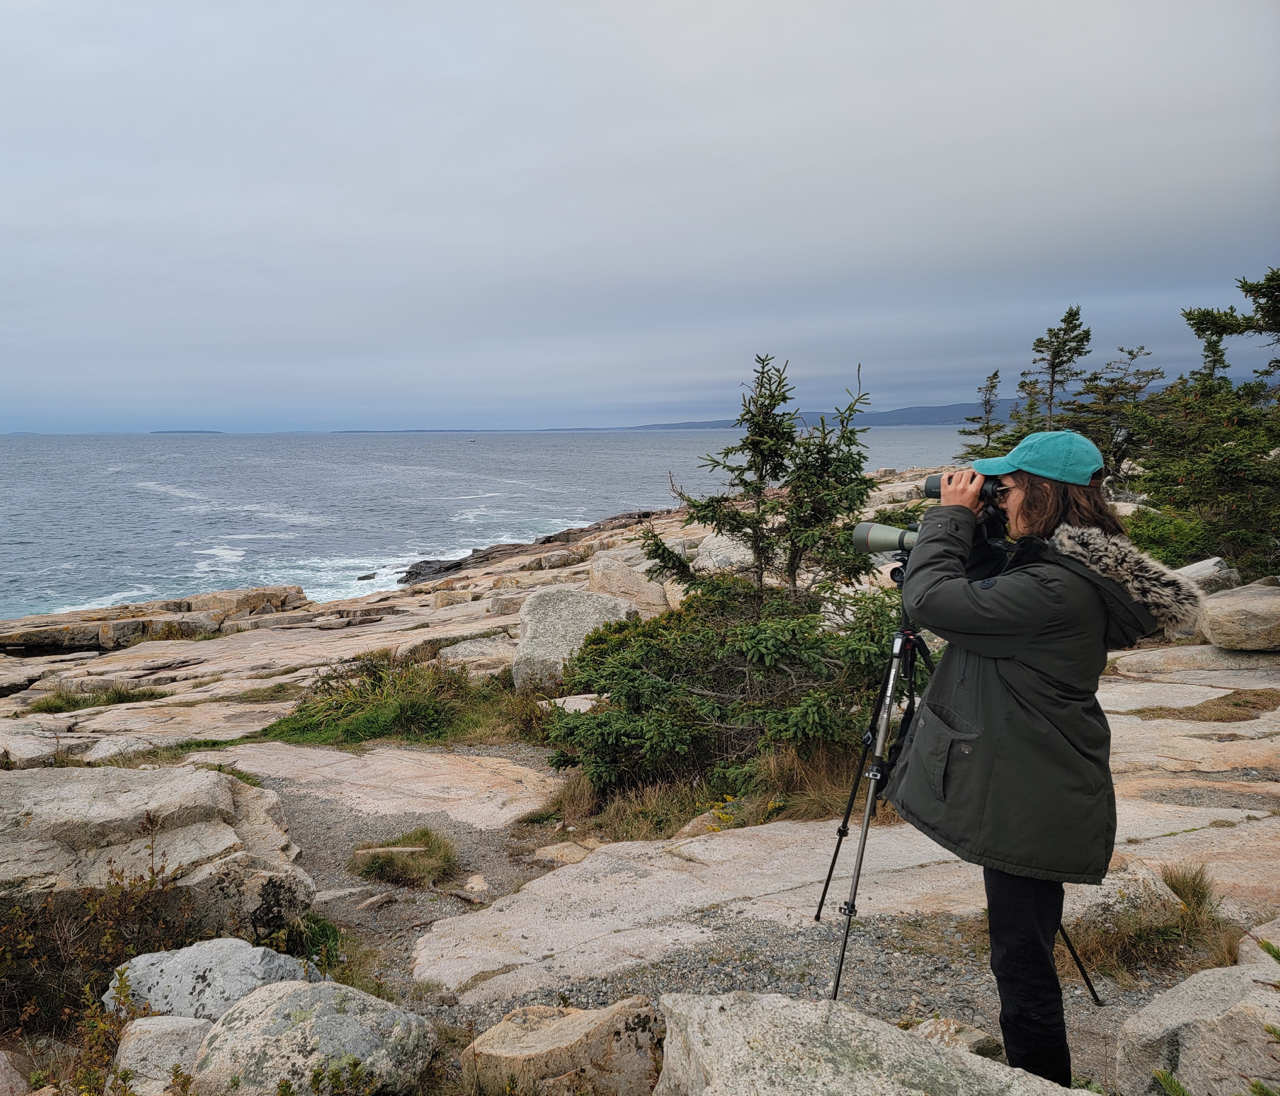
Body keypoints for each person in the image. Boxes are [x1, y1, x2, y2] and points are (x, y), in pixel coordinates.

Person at [883, 430, 1203, 1086]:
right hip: (1035, 784)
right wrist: (971, 532)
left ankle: (1042, 1081)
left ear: (1045, 493)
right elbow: (982, 590)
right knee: (1020, 950)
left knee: (1021, 965)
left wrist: (948, 517)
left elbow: (932, 602)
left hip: (1034, 798)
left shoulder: (1056, 587)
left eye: (1009, 486)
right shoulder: (1054, 568)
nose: (999, 497)